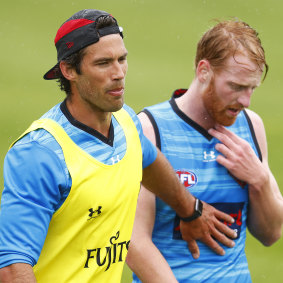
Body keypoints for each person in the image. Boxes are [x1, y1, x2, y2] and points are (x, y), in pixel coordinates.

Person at [0, 10, 238, 283]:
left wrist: (190, 209)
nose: (118, 73)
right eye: (103, 63)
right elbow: (12, 267)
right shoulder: (40, 153)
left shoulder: (126, 123)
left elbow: (149, 162)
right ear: (68, 70)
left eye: (122, 60)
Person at [126, 20, 283, 282]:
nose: (245, 101)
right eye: (235, 86)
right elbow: (134, 242)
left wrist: (260, 180)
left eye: (251, 88)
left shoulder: (251, 126)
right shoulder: (150, 128)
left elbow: (271, 234)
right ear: (204, 71)